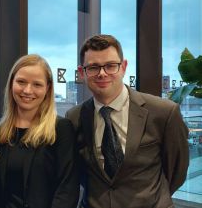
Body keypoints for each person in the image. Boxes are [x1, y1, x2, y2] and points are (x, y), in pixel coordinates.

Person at [66, 34, 189, 208]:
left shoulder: (163, 113)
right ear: (82, 72)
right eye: (93, 67)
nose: (102, 73)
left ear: (123, 67)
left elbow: (177, 171)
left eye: (110, 66)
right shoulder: (74, 117)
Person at [0, 54, 79, 208]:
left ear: (48, 88)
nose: (28, 90)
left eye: (37, 84)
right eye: (21, 82)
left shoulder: (60, 129)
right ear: (11, 83)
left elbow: (67, 189)